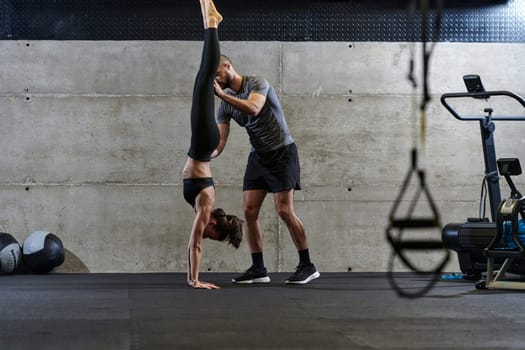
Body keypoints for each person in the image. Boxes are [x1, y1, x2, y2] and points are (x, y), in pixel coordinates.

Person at [212, 54, 320, 284]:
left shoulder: (258, 83)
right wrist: (205, 156)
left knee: (284, 211)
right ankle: (259, 269)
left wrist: (222, 95)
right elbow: (220, 143)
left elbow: (253, 107)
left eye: (217, 74)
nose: (216, 80)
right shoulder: (225, 107)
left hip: (282, 152)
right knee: (249, 211)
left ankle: (307, 265)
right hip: (258, 157)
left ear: (228, 67)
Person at [182, 0, 243, 290]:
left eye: (210, 238)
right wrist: (194, 280)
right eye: (212, 235)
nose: (206, 235)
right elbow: (194, 244)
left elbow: (197, 240)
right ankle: (211, 21)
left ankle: (212, 19)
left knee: (202, 80)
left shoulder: (204, 207)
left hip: (205, 146)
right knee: (204, 79)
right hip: (204, 142)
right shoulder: (206, 205)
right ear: (215, 225)